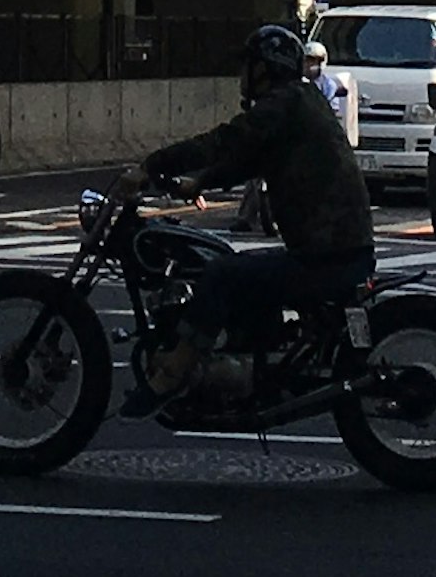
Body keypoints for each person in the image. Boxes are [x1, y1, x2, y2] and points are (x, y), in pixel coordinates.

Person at [142, 19, 378, 373]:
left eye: (247, 65)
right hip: (342, 250)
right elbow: (251, 159)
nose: (241, 75)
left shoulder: (281, 105)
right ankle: (254, 360)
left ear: (264, 69)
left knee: (221, 273)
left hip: (324, 256)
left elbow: (226, 141)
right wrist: (200, 182)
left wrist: (151, 164)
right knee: (245, 269)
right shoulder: (303, 100)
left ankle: (176, 367)